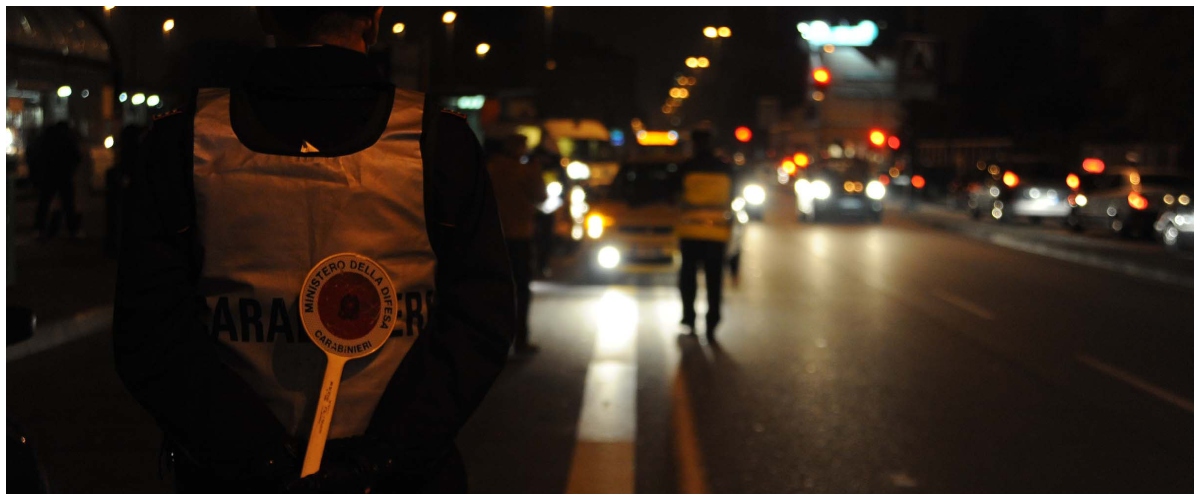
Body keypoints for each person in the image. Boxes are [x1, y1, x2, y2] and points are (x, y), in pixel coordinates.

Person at [112, 7, 515, 493]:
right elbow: (480, 322)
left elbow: (150, 332)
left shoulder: (184, 141)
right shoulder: (438, 142)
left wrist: (260, 460)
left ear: (265, 15)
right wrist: (380, 460)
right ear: (373, 17)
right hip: (401, 480)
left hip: (233, 480)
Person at [486, 134, 548, 355]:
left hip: (495, 237)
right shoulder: (524, 171)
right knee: (521, 289)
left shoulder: (491, 169)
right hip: (520, 236)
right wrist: (536, 171)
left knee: (496, 288)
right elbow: (541, 196)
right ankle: (520, 338)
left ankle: (494, 339)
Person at [676, 129, 735, 344]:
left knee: (688, 278)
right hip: (717, 234)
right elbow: (733, 196)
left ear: (694, 144)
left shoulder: (686, 168)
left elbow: (675, 194)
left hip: (690, 233)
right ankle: (712, 322)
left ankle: (689, 318)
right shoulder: (726, 169)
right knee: (714, 280)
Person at [30, 121, 84, 239]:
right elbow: (76, 156)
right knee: (68, 204)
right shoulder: (67, 139)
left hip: (49, 175)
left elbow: (36, 155)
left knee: (44, 203)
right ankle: (73, 229)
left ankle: (39, 228)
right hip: (64, 175)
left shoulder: (46, 139)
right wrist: (71, 170)